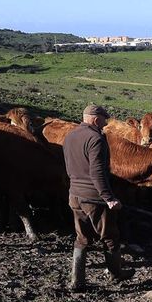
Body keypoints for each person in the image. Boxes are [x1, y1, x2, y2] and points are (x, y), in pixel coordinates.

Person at [62, 104, 134, 291]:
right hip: (94, 199)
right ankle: (116, 274)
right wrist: (109, 198)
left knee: (82, 238)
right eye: (104, 119)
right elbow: (97, 173)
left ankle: (77, 281)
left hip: (74, 195)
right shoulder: (96, 139)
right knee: (110, 237)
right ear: (95, 119)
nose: (106, 123)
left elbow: (69, 166)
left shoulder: (70, 136)